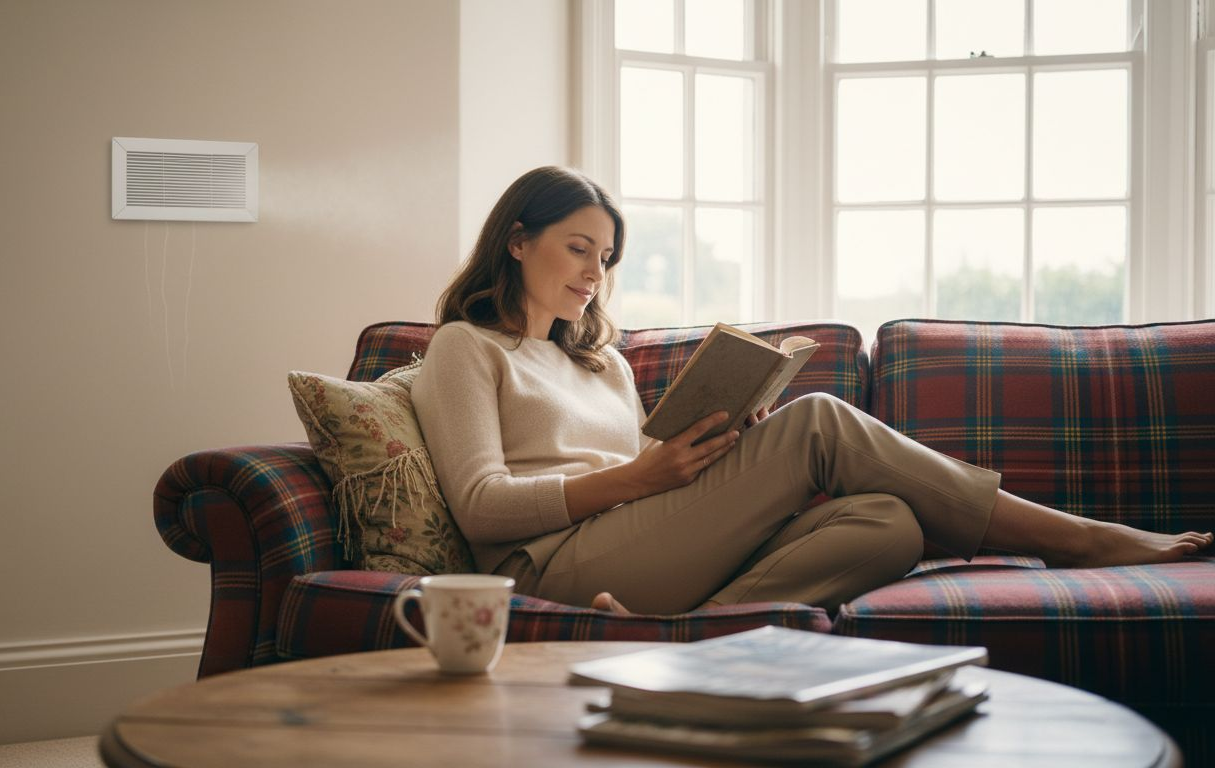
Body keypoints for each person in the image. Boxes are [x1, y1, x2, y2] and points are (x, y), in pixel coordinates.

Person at [410, 165, 1213, 616]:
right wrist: (641, 479)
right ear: (516, 242)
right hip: (547, 569)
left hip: (638, 546)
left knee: (888, 523)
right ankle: (1076, 539)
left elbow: (647, 481)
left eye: (607, 258)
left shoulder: (603, 363)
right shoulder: (466, 349)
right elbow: (481, 504)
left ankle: (681, 636)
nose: (594, 274)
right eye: (578, 248)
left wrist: (728, 444)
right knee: (822, 419)